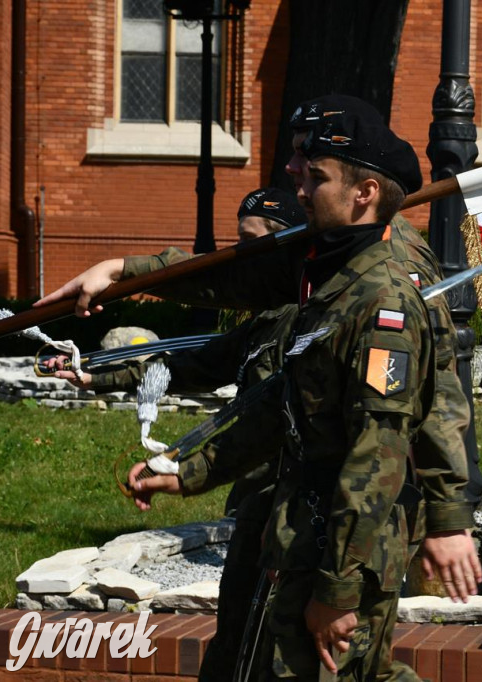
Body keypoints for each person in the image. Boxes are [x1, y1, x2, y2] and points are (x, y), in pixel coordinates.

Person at [40, 96, 474, 680]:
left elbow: (387, 445)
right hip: (301, 521)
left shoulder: (382, 298)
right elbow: (276, 376)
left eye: (312, 170)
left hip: (341, 538)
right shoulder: (331, 271)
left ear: (364, 193)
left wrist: (353, 579)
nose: (294, 178)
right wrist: (123, 272)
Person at [46, 187, 304, 681]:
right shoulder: (265, 324)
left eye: (248, 243)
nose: (238, 257)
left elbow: (263, 426)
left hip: (295, 511)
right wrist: (95, 374)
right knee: (235, 644)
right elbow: (182, 367)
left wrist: (182, 469)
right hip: (256, 506)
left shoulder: (306, 321)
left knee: (275, 652)